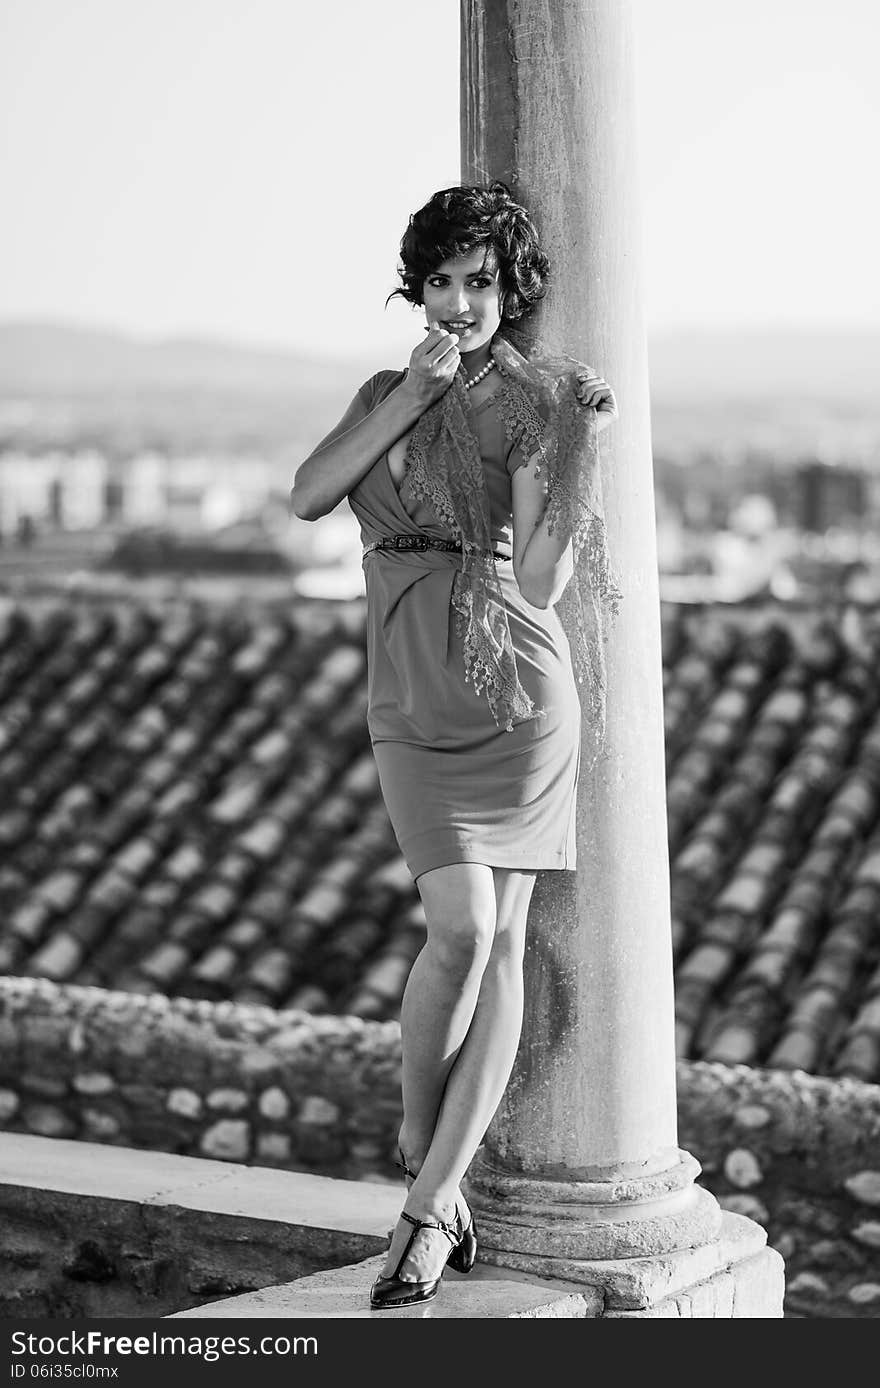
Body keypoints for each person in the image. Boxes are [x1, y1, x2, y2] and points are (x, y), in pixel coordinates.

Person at [291, 182, 619, 1310]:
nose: (461, 300)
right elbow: (307, 495)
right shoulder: (386, 387)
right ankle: (422, 1142)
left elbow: (539, 578)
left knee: (495, 936)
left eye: (482, 281)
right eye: (441, 279)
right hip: (408, 688)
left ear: (510, 289)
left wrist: (574, 453)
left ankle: (429, 1203)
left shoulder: (533, 407)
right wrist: (408, 400)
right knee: (457, 935)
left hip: (513, 687)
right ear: (418, 286)